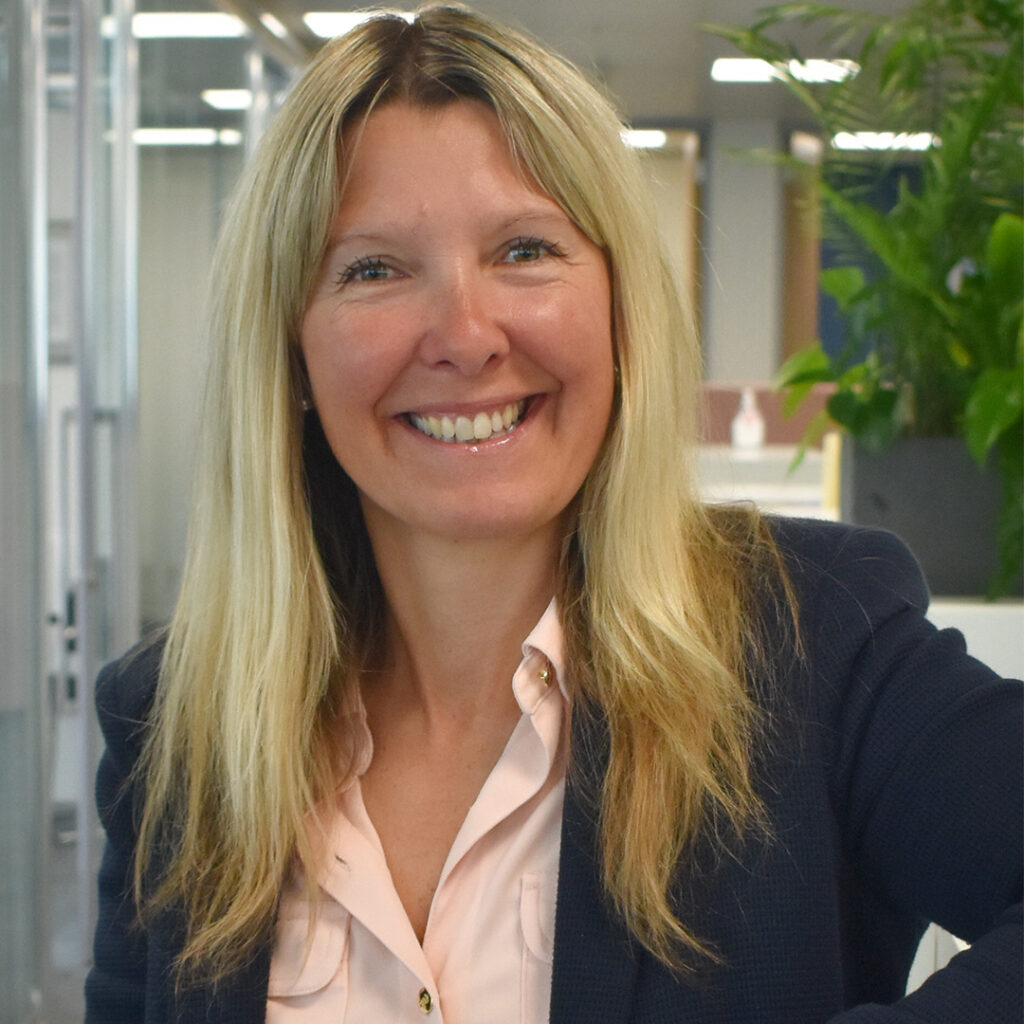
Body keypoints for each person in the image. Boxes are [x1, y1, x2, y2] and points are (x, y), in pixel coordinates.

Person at [85, 4, 1022, 1022]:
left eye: (524, 250)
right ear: (291, 354)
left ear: (621, 310)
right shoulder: (176, 726)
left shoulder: (816, 640)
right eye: (373, 269)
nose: (464, 333)